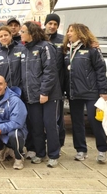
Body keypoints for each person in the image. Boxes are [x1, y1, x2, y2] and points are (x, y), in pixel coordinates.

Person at [63, 23, 107, 163]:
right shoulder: (66, 50)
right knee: (77, 122)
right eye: (68, 31)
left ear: (80, 32)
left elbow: (101, 70)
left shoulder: (92, 49)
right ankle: (81, 150)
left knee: (95, 121)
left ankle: (102, 150)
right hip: (73, 92)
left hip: (91, 92)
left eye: (72, 31)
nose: (69, 33)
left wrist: (103, 90)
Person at [20, 21, 62, 168]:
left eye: (23, 31)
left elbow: (50, 72)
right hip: (31, 96)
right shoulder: (24, 49)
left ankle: (54, 154)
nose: (20, 33)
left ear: (31, 33)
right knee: (36, 125)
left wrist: (44, 92)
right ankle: (40, 153)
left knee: (50, 125)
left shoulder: (46, 47)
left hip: (48, 96)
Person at [44, 13, 66, 148]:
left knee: (57, 118)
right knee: (43, 119)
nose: (52, 26)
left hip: (57, 85)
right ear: (45, 24)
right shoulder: (39, 38)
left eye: (55, 24)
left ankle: (58, 143)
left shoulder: (62, 40)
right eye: (50, 23)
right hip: (42, 85)